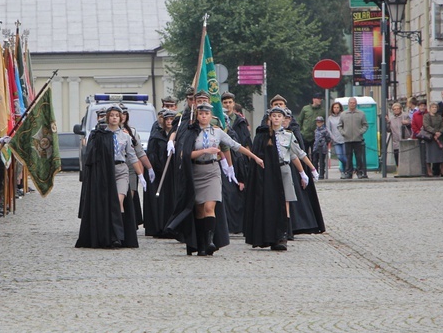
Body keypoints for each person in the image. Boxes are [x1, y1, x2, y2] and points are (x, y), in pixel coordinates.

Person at [166, 103, 263, 256]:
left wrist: (255, 157)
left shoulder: (217, 132)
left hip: (212, 171)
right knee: (198, 209)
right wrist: (204, 150)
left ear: (211, 116)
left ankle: (210, 241)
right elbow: (184, 155)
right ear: (197, 116)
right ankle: (201, 242)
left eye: (207, 113)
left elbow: (235, 145)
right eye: (201, 113)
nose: (204, 116)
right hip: (196, 171)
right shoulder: (191, 132)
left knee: (209, 207)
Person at [76, 105, 143, 248]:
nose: (114, 118)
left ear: (120, 118)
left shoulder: (125, 136)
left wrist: (141, 175)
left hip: (121, 170)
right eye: (111, 115)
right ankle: (110, 233)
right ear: (107, 117)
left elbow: (132, 156)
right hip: (106, 171)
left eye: (116, 116)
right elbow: (92, 155)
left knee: (119, 200)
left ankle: (119, 235)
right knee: (107, 203)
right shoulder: (101, 135)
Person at [244, 106, 307, 251]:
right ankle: (268, 235)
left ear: (284, 119)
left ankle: (283, 234)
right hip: (268, 173)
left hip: (283, 169)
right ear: (270, 118)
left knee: (285, 202)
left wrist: (305, 171)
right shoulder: (262, 135)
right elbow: (257, 154)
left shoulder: (289, 135)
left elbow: (298, 154)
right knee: (269, 203)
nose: (277, 118)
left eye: (280, 116)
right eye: (274, 115)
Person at [338, 98, 369, 179]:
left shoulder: (361, 114)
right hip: (347, 139)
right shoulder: (343, 114)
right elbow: (339, 126)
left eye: (354, 103)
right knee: (348, 157)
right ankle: (349, 172)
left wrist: (360, 132)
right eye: (351, 103)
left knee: (359, 157)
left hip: (358, 139)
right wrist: (343, 133)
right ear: (348, 104)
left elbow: (365, 125)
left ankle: (360, 172)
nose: (352, 104)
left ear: (356, 104)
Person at [421, 102, 443, 177]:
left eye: (435, 107)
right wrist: (434, 132)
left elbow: (442, 125)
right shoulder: (426, 116)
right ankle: (429, 171)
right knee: (429, 155)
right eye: (433, 107)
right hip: (430, 138)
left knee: (442, 155)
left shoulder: (439, 116)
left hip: (439, 137)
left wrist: (440, 132)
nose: (434, 109)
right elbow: (426, 125)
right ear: (430, 109)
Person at [386, 102, 411, 167]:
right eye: (395, 109)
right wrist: (388, 122)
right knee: (396, 155)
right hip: (396, 140)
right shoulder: (391, 118)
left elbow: (411, 124)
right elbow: (388, 130)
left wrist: (407, 122)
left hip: (405, 139)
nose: (396, 110)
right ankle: (398, 168)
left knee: (405, 155)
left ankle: (405, 168)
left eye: (398, 109)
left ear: (401, 109)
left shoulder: (405, 116)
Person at [326, 101, 347, 172]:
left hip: (344, 139)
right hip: (335, 140)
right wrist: (332, 137)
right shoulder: (330, 118)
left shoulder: (343, 116)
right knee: (340, 156)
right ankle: (350, 166)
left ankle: (344, 171)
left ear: (340, 108)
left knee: (345, 155)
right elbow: (328, 129)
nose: (336, 109)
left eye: (337, 107)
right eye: (334, 107)